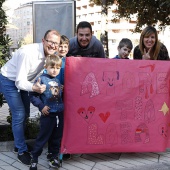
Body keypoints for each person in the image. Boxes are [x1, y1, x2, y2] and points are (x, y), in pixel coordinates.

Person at [0, 29, 61, 165]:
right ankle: (21, 150)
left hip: (24, 81)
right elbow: (19, 82)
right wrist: (34, 88)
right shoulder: (29, 53)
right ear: (43, 41)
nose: (53, 46)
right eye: (50, 42)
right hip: (8, 80)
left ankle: (18, 143)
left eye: (56, 43)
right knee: (19, 114)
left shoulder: (50, 55)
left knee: (26, 113)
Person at [29, 54, 64, 170]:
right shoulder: (41, 79)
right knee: (42, 138)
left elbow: (55, 96)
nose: (55, 70)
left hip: (59, 115)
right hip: (48, 115)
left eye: (58, 68)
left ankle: (53, 158)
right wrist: (41, 106)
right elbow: (33, 96)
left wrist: (61, 90)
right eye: (52, 67)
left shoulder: (57, 80)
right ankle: (34, 159)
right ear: (46, 66)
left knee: (56, 138)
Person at [46, 35, 71, 161]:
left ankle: (64, 148)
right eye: (60, 46)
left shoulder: (70, 61)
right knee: (54, 127)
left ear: (68, 48)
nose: (62, 48)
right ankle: (52, 151)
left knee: (64, 125)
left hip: (66, 97)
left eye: (65, 46)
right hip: (53, 98)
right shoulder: (53, 61)